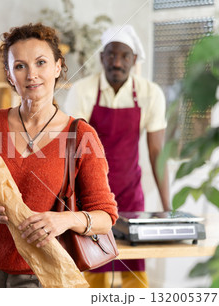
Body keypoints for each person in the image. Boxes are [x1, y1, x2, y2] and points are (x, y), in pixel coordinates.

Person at [0, 23, 118, 288]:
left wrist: (63, 220)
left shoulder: (81, 135)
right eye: (20, 66)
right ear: (9, 74)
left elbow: (105, 217)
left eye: (41, 63)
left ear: (58, 66)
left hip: (43, 274)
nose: (32, 75)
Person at [63, 24, 170, 288]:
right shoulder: (82, 91)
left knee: (135, 269)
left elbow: (157, 152)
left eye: (124, 56)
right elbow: (72, 150)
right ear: (101, 57)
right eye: (111, 55)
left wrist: (167, 208)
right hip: (91, 194)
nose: (117, 62)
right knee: (93, 263)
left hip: (132, 195)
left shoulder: (150, 94)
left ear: (134, 60)